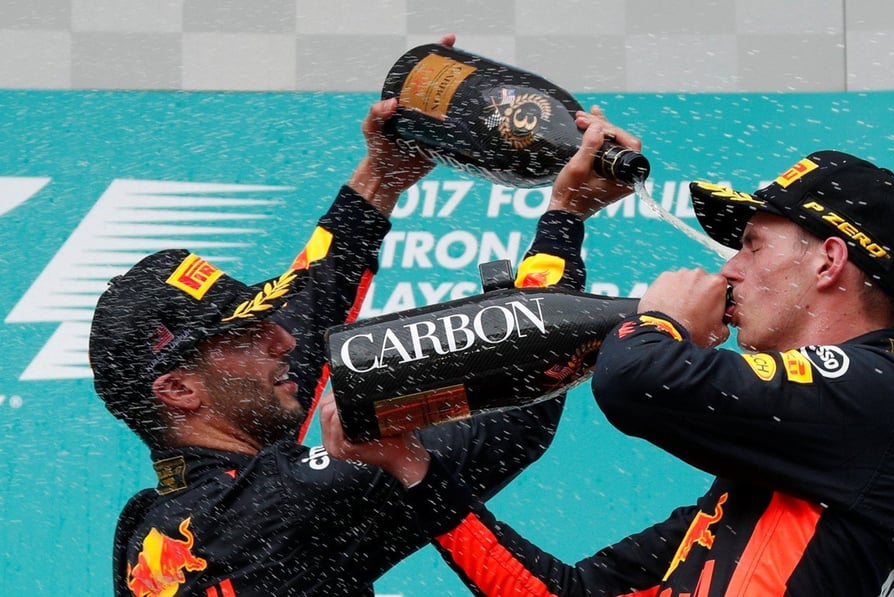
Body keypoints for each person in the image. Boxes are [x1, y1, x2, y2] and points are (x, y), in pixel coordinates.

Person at [88, 34, 642, 596]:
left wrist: (382, 176)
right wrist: (565, 219)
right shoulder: (281, 503)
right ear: (179, 389)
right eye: (247, 334)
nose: (281, 339)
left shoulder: (154, 527)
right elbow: (516, 406)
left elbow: (308, 308)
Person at [324, 150, 894, 596]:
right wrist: (413, 466)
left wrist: (665, 322)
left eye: (752, 245)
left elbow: (635, 380)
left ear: (828, 261)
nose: (729, 269)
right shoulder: (778, 477)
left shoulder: (884, 397)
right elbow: (561, 593)